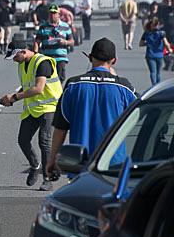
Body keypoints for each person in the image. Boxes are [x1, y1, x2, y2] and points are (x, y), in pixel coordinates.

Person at [47, 38, 137, 177]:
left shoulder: (73, 85)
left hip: (80, 165)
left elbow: (60, 128)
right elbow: (142, 116)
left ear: (90, 57)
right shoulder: (124, 87)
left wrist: (52, 160)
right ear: (114, 60)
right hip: (114, 165)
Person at [0, 39, 63, 191]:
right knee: (23, 140)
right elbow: (27, 85)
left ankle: (47, 178)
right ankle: (35, 165)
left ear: (23, 51)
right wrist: (10, 99)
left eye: (15, 56)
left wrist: (14, 97)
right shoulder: (22, 65)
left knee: (44, 141)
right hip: (33, 108)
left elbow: (39, 88)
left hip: (50, 107)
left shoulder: (42, 62)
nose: (14, 60)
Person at [34, 4, 74, 84]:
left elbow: (72, 42)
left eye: (55, 13)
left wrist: (64, 42)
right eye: (51, 13)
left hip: (60, 58)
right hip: (47, 58)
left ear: (59, 14)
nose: (53, 15)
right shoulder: (43, 26)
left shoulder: (65, 26)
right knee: (47, 80)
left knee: (59, 80)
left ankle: (59, 96)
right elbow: (37, 42)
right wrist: (36, 55)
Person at [140, 16, 171, 85]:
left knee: (152, 72)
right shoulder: (161, 33)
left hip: (149, 54)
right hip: (159, 54)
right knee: (158, 72)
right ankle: (158, 85)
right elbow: (166, 43)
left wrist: (148, 43)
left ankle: (153, 84)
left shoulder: (147, 33)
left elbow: (141, 43)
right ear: (158, 24)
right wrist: (169, 50)